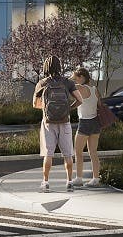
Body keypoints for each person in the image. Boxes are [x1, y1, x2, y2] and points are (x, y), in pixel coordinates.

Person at [33, 55, 83, 193]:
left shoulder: (42, 83)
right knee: (68, 154)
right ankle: (69, 182)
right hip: (64, 121)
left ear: (45, 67)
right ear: (59, 66)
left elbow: (35, 104)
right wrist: (68, 108)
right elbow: (80, 100)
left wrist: (47, 108)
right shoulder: (68, 82)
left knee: (48, 154)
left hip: (48, 123)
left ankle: (46, 182)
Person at [71, 66, 103, 187]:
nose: (75, 80)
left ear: (82, 77)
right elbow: (99, 104)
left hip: (85, 122)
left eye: (76, 78)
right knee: (93, 152)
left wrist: (71, 77)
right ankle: (96, 179)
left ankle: (79, 179)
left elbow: (68, 85)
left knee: (78, 151)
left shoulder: (80, 87)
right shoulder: (95, 89)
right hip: (95, 122)